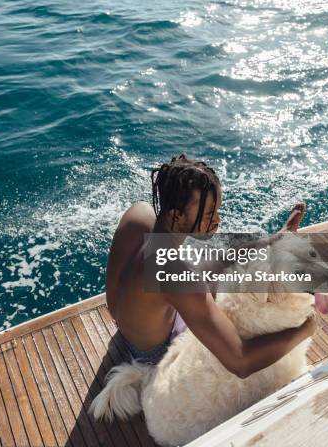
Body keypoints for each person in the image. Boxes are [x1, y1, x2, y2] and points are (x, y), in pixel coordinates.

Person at [106, 154, 316, 377]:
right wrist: (304, 329)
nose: (217, 220)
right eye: (209, 214)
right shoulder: (172, 269)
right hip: (151, 357)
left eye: (217, 211)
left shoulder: (140, 214)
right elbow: (241, 362)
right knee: (239, 295)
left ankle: (276, 240)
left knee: (214, 264)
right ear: (176, 213)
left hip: (126, 324)